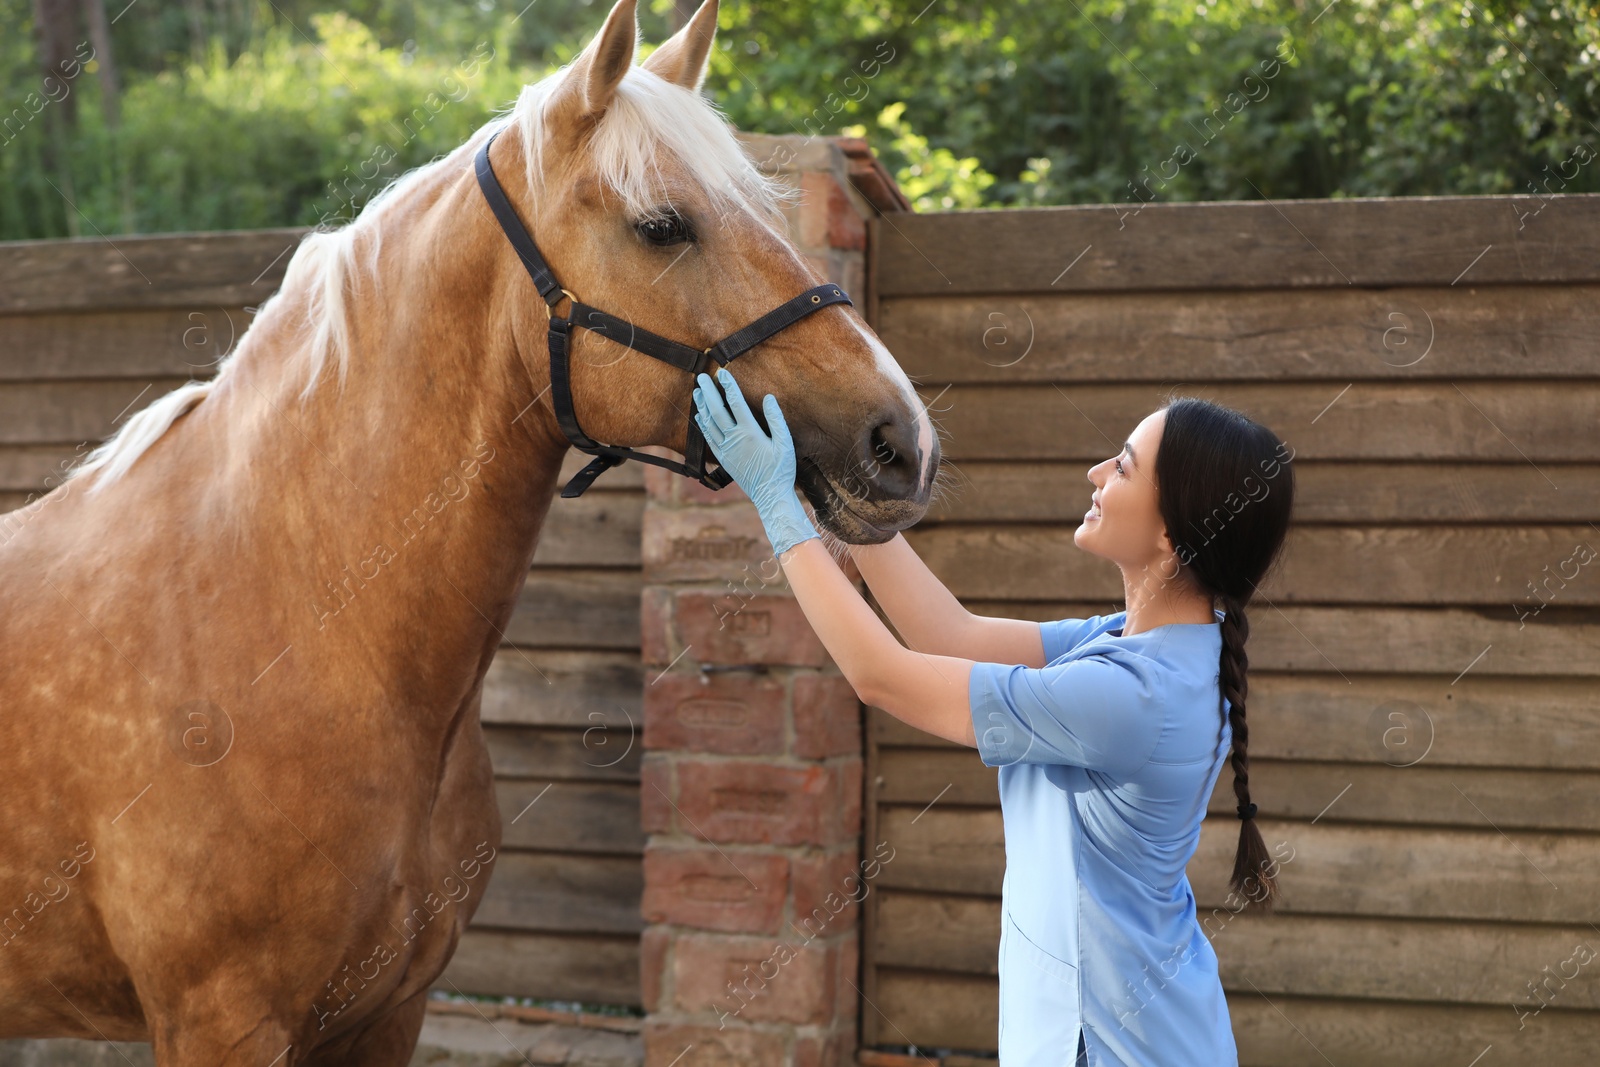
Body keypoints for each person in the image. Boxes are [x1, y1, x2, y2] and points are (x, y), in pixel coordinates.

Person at [691, 366, 1296, 1066]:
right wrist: (831, 484)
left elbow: (881, 675)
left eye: (1124, 468)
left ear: (1171, 535)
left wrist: (775, 501)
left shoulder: (1134, 695)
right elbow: (952, 635)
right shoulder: (1144, 643)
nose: (1096, 473)